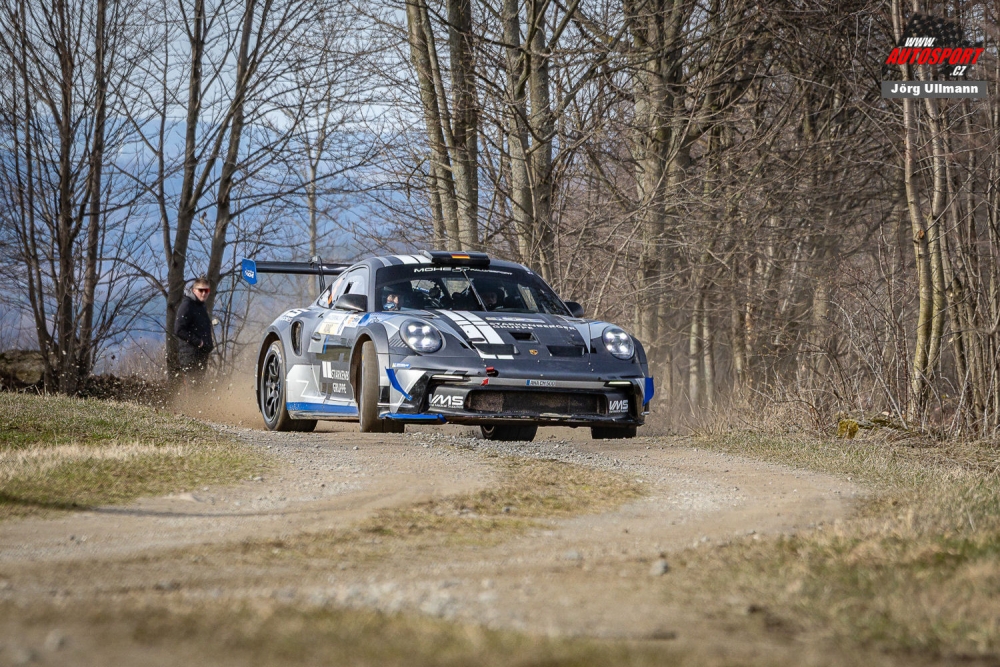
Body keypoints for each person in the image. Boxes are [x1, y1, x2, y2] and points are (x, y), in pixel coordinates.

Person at [174, 276, 214, 382]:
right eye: (201, 290)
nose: (204, 293)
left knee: (199, 388)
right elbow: (179, 330)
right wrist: (199, 342)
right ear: (194, 290)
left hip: (201, 356)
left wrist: (208, 346)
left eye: (206, 290)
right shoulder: (187, 305)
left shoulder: (201, 306)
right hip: (190, 357)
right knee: (192, 389)